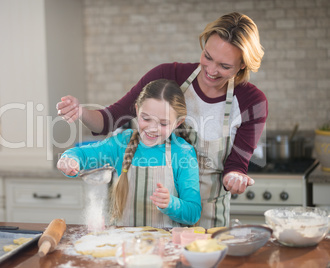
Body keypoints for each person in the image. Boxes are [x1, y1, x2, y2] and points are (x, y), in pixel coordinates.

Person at [56, 12, 268, 228]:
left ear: (243, 65)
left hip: (208, 220)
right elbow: (110, 120)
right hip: (154, 231)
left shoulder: (251, 102)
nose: (211, 70)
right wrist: (80, 113)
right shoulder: (167, 77)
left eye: (224, 66)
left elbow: (236, 165)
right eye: (208, 56)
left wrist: (235, 177)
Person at [57, 79, 201, 228]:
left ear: (178, 122)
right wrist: (70, 159)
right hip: (125, 245)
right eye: (146, 118)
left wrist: (171, 204)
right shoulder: (122, 143)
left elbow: (193, 213)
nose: (152, 128)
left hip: (164, 248)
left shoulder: (183, 153)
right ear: (138, 111)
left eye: (163, 123)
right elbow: (84, 154)